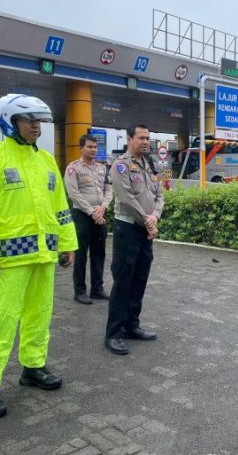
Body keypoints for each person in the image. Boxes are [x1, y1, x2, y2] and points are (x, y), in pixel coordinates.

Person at [0, 93, 77, 418]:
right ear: (9, 121)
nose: (35, 126)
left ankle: (33, 367)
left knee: (39, 315)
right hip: (7, 261)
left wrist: (67, 244)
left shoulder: (46, 161)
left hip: (43, 256)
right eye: (28, 120)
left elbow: (60, 207)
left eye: (38, 120)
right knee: (0, 320)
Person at [104, 123, 163, 355]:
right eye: (141, 138)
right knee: (123, 281)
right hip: (127, 229)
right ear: (129, 139)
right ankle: (114, 333)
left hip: (146, 231)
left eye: (148, 138)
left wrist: (154, 217)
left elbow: (160, 196)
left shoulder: (150, 164)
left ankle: (131, 326)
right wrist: (148, 221)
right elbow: (127, 198)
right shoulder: (120, 165)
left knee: (140, 279)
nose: (146, 141)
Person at [64, 134, 113, 304]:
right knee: (81, 254)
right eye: (89, 147)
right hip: (82, 216)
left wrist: (103, 207)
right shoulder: (73, 168)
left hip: (100, 214)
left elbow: (109, 190)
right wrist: (92, 212)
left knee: (99, 253)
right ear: (81, 148)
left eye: (95, 147)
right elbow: (74, 194)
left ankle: (97, 289)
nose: (93, 150)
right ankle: (80, 291)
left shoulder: (102, 168)